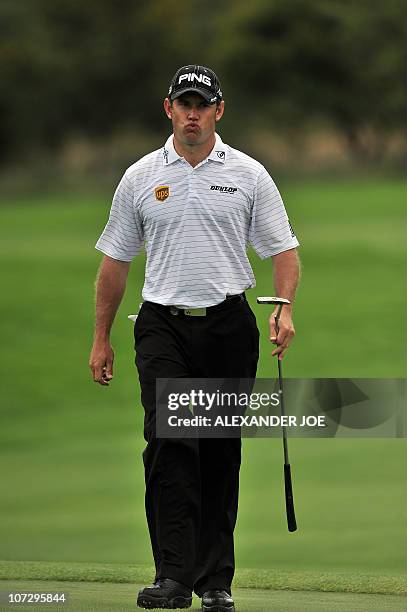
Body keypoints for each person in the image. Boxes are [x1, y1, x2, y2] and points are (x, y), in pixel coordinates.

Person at [89, 65, 300, 612]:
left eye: (202, 104)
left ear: (218, 111)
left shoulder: (250, 175)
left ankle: (214, 583)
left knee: (217, 451)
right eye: (183, 103)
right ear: (168, 109)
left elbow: (283, 250)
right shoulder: (139, 177)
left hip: (229, 325)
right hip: (162, 324)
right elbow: (115, 261)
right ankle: (173, 577)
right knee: (170, 443)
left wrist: (283, 309)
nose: (192, 113)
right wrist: (101, 338)